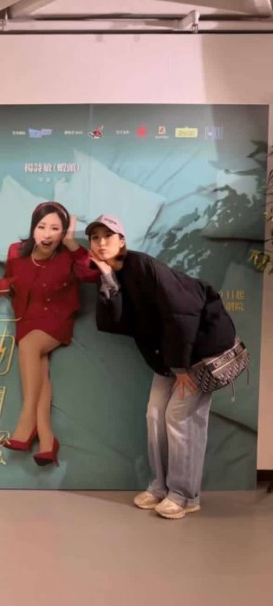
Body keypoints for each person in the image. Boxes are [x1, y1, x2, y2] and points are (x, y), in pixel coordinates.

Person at [85, 214, 237, 520]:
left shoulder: (142, 265)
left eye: (108, 236)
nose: (101, 243)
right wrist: (108, 279)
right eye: (95, 238)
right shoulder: (115, 274)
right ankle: (161, 487)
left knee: (180, 419)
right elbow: (113, 323)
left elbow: (182, 313)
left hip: (199, 350)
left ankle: (184, 495)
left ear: (122, 241)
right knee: (155, 415)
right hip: (169, 357)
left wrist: (181, 368)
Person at [0, 202, 96, 466]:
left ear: (63, 232)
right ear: (33, 228)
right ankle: (47, 440)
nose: (47, 234)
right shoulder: (17, 251)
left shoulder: (69, 255)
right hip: (27, 318)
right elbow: (11, 281)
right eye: (42, 227)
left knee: (29, 346)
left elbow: (90, 274)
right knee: (40, 369)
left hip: (56, 319)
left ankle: (26, 419)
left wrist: (72, 243)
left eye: (55, 228)